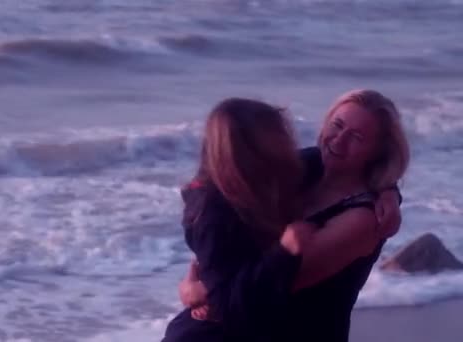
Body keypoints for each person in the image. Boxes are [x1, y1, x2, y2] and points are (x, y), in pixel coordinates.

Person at [178, 89, 410, 342]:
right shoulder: (304, 167)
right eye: (337, 125)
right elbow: (220, 179)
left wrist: (203, 291)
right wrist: (389, 189)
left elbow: (275, 287)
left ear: (377, 152)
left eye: (356, 137)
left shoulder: (363, 219)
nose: (338, 141)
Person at [162, 97, 315, 341]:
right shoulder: (213, 213)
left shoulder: (266, 183)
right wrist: (284, 252)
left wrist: (386, 189)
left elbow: (326, 157)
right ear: (251, 150)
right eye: (277, 136)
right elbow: (227, 307)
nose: (287, 143)